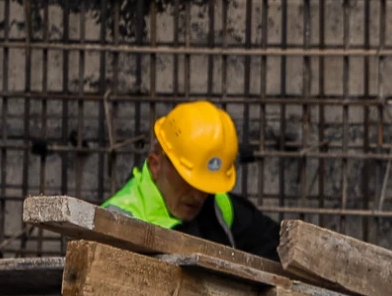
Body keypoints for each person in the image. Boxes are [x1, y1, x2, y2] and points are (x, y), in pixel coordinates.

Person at [102, 100, 281, 260]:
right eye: (189, 182)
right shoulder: (117, 222)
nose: (198, 196)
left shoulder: (217, 204)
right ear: (156, 165)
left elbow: (274, 245)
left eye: (206, 186)